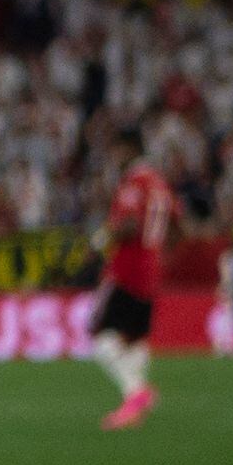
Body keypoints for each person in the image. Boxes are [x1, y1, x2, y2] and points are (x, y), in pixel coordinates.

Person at [91, 128, 180, 432]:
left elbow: (128, 224)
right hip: (151, 269)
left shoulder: (134, 182)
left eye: (116, 149)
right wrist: (158, 252)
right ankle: (134, 408)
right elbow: (179, 227)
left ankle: (135, 392)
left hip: (126, 269)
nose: (113, 157)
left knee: (100, 336)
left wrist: (103, 236)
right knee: (135, 339)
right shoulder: (160, 183)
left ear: (128, 148)